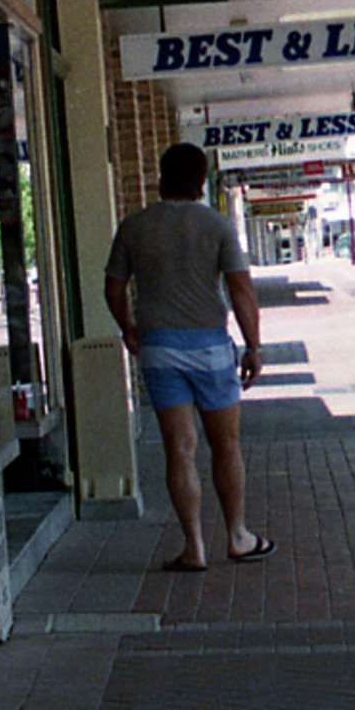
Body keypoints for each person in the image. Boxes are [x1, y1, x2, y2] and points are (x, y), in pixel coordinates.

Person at [105, 141, 272, 571]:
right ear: (200, 182)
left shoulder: (134, 226)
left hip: (159, 348)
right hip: (211, 348)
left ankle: (193, 547)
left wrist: (128, 326)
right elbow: (240, 289)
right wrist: (253, 346)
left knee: (179, 449)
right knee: (225, 445)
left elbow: (113, 287)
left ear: (161, 178)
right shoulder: (217, 225)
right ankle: (237, 536)